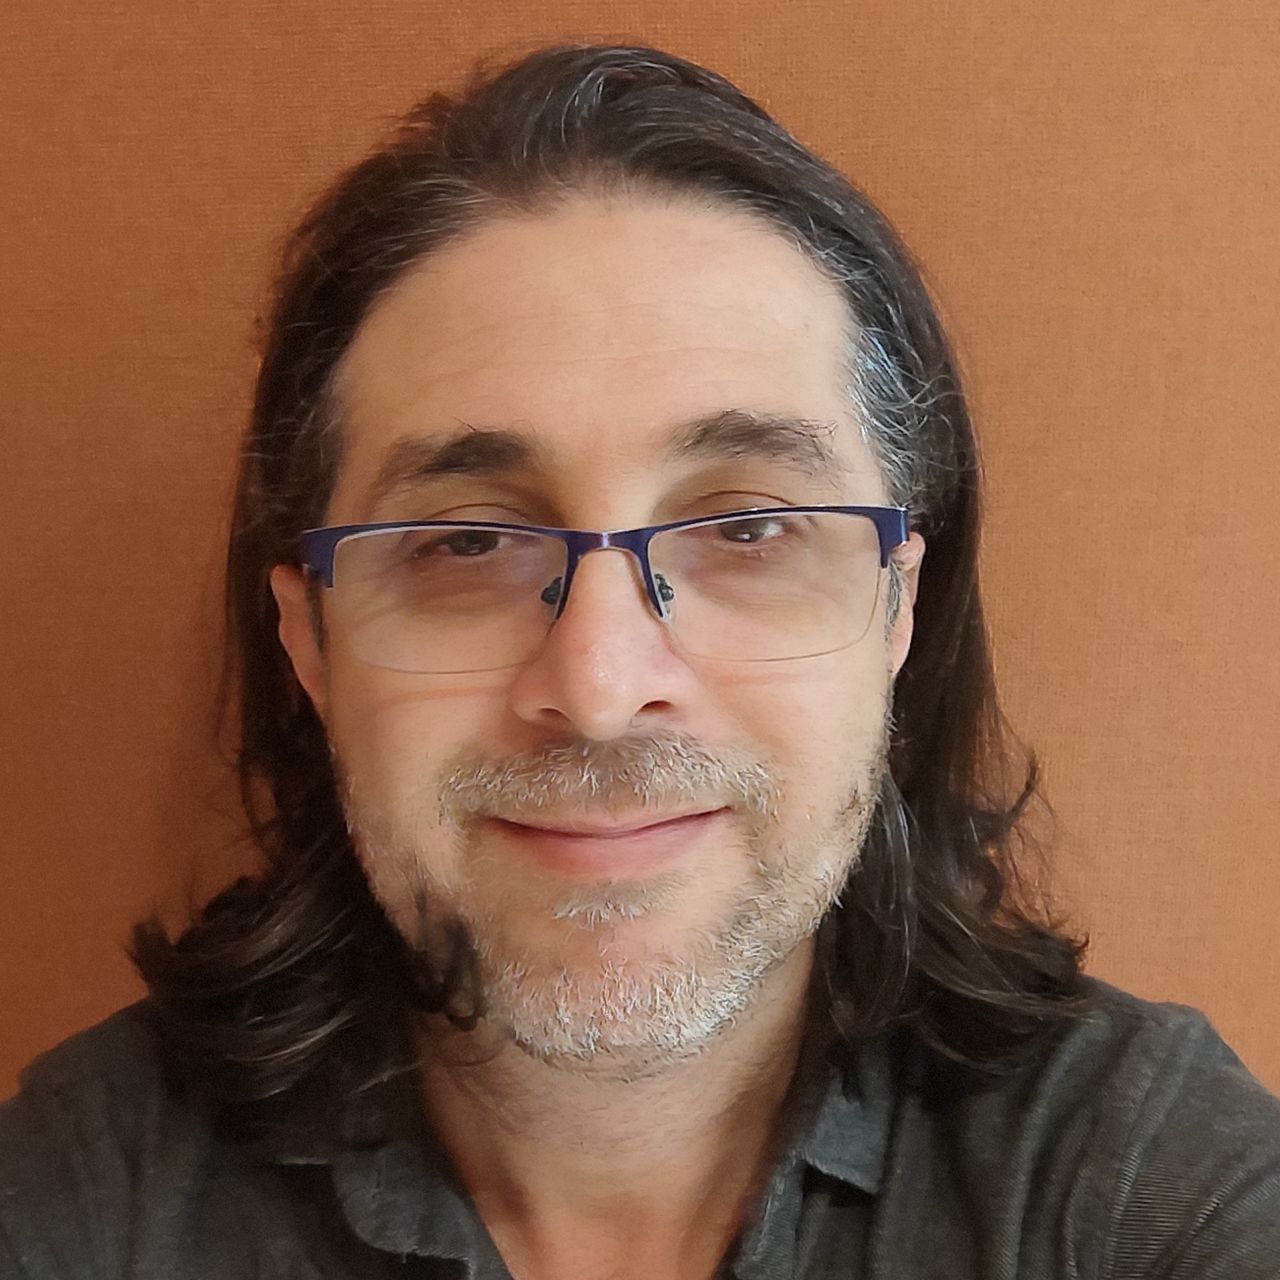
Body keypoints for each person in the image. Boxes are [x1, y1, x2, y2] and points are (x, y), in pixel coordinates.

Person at [2, 42, 1278, 1280]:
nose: (602, 690)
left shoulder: (1143, 1182)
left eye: (748, 527)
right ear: (311, 642)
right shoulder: (78, 1200)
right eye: (466, 540)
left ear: (896, 608)